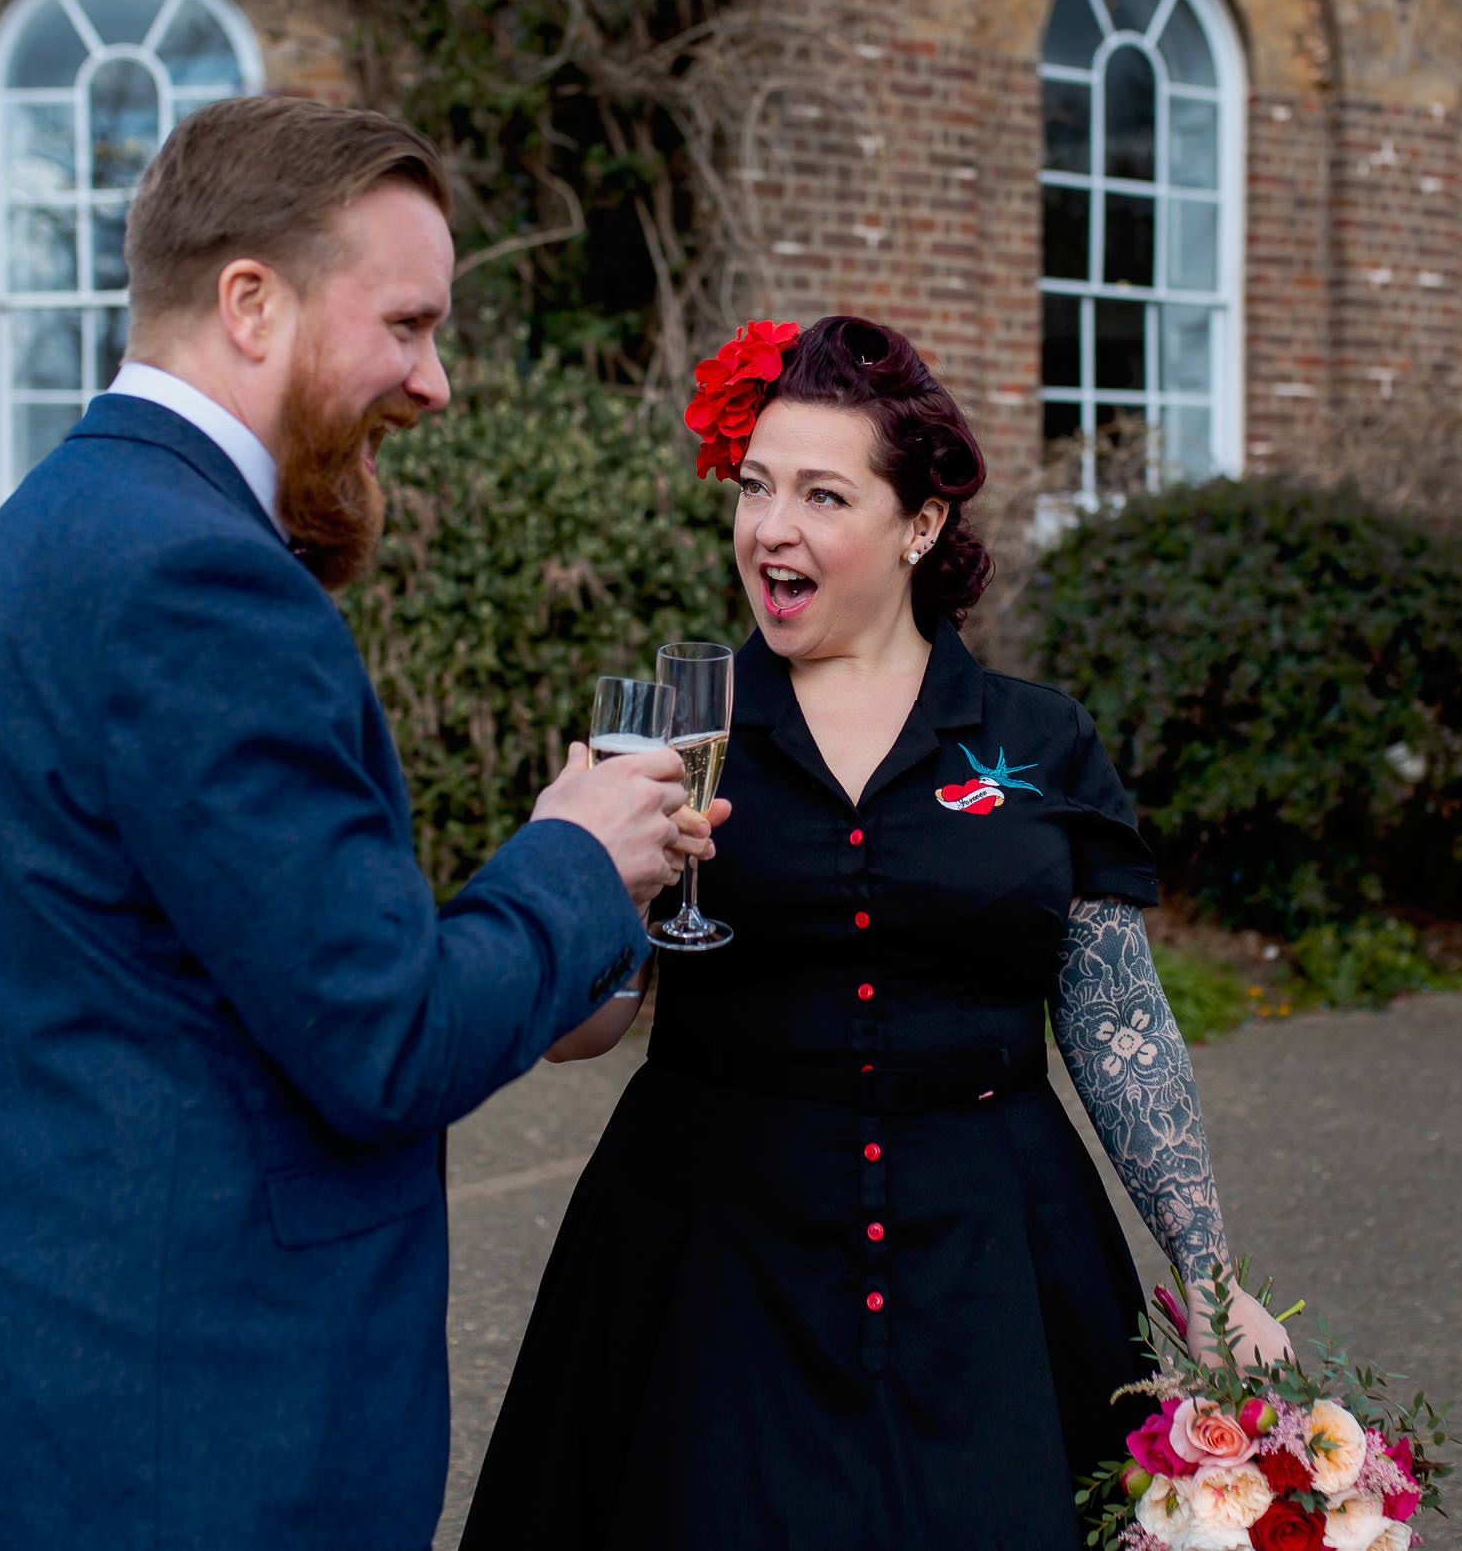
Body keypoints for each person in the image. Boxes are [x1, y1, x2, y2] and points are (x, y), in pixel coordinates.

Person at [0, 97, 716, 1550]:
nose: (434, 381)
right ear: (251, 302)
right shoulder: (208, 581)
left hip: (57, 1388)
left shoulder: (33, 536)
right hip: (211, 1434)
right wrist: (577, 855)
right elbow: (387, 1045)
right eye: (407, 323)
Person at [464, 316, 1288, 1548]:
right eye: (754, 489)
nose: (769, 529)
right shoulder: (678, 734)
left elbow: (1117, 1023)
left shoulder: (1038, 738)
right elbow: (585, 1031)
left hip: (995, 1264)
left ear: (919, 526)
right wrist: (588, 883)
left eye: (820, 494)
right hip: (706, 1259)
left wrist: (1209, 1274)